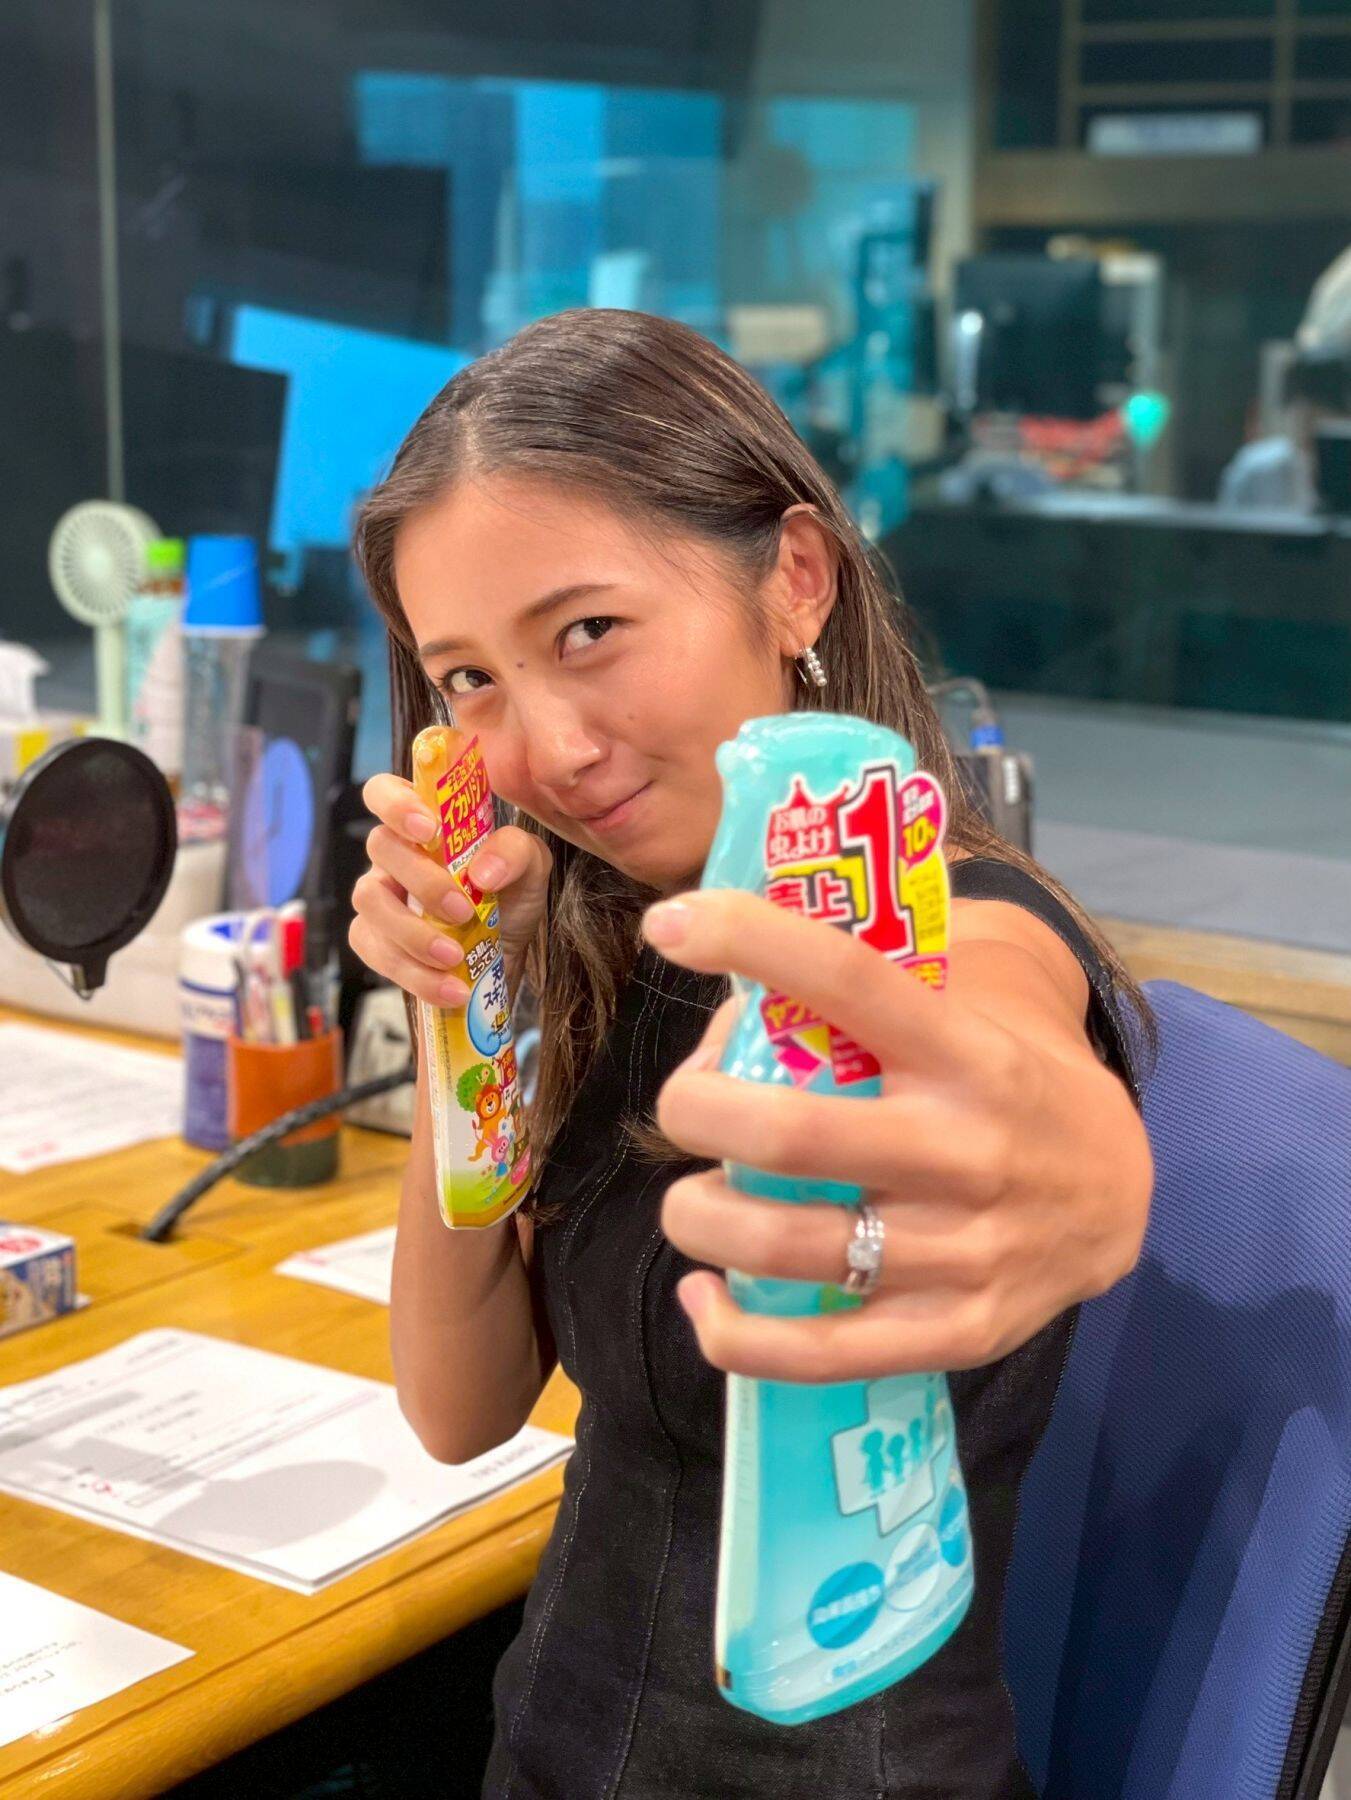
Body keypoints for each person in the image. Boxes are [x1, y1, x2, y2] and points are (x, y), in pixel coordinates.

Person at [348, 308, 1153, 1799]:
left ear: (793, 580)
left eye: (587, 633)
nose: (546, 749)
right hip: (547, 1753)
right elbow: (457, 1411)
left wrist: (1091, 1170)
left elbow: (1010, 1055)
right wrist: (463, 1002)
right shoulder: (611, 930)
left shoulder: (950, 924)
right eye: (469, 679)